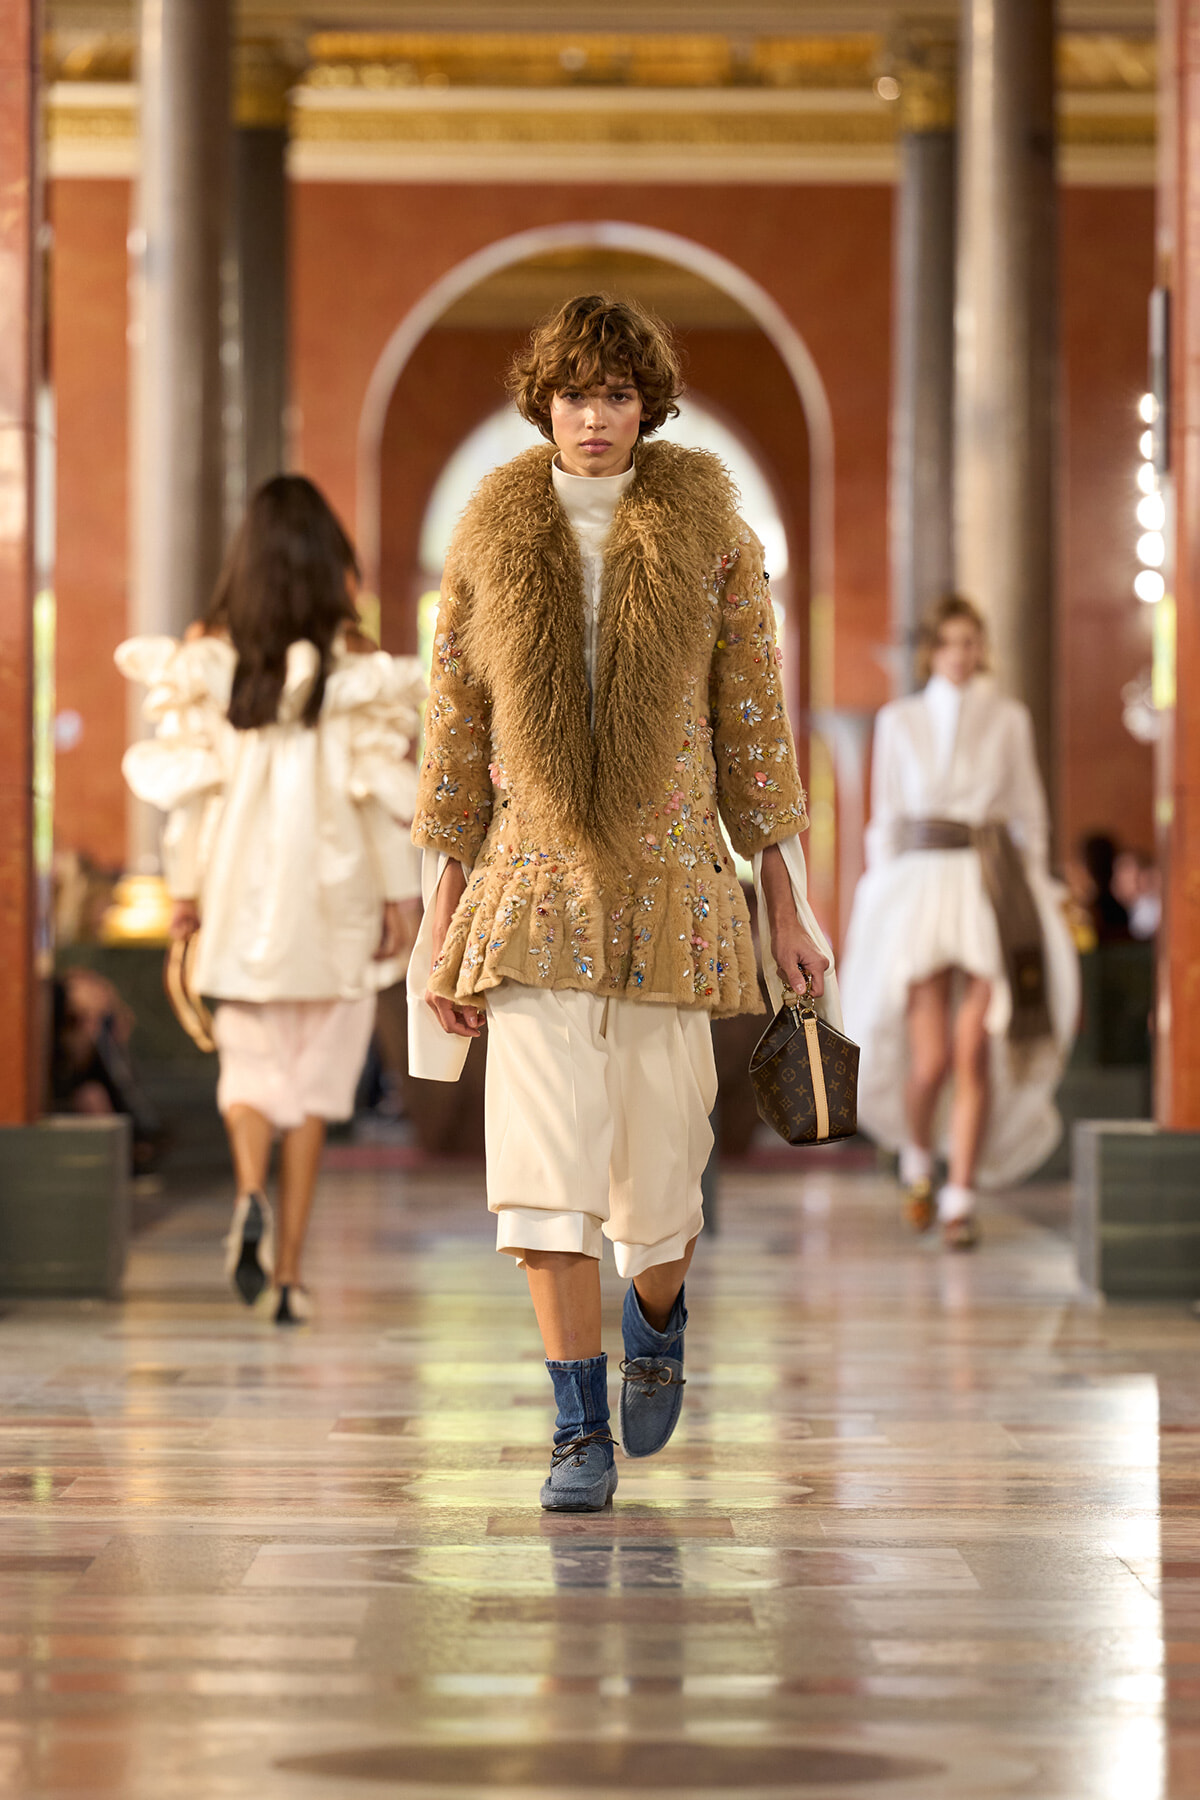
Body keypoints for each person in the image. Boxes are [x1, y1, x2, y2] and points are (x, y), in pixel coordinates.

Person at [407, 293, 838, 1512]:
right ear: (542, 404)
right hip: (528, 895)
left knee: (661, 1189)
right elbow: (455, 740)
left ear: (648, 407)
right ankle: (576, 1432)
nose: (593, 417)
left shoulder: (715, 537)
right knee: (541, 1180)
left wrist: (788, 903)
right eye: (574, 395)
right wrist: (439, 918)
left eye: (615, 394)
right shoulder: (490, 541)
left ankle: (657, 1321)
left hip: (673, 896)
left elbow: (756, 732)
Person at [117, 475, 423, 1323]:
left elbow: (195, 796)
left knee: (250, 1071)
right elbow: (378, 792)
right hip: (335, 898)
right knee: (317, 1090)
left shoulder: (208, 655)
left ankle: (249, 1189)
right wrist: (399, 897)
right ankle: (288, 1277)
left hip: (238, 894)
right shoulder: (355, 660)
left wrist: (184, 891)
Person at [839, 596, 1079, 1249]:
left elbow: (1030, 813)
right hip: (919, 886)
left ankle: (960, 1201)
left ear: (982, 648)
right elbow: (886, 818)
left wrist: (1035, 888)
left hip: (986, 886)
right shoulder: (899, 720)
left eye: (970, 641)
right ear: (931, 650)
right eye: (948, 642)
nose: (960, 654)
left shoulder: (1008, 719)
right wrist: (878, 896)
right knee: (932, 1058)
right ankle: (919, 1162)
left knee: (975, 1051)